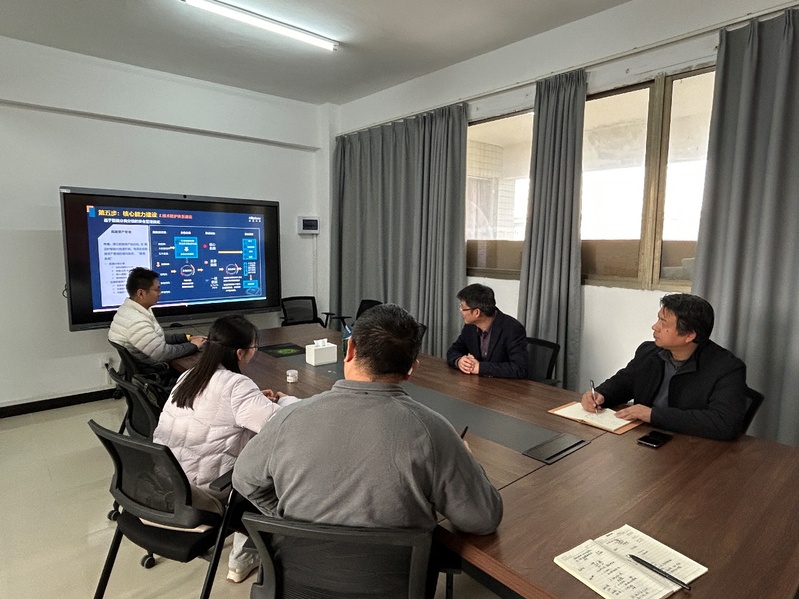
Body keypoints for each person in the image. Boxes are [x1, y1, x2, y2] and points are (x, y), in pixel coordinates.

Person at [232, 303, 502, 593]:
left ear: (349, 350)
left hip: (297, 585)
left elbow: (243, 480)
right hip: (395, 588)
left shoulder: (289, 417)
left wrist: (287, 518)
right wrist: (469, 461)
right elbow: (483, 519)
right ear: (412, 369)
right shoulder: (434, 431)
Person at [153, 314, 299, 583]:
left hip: (167, 481)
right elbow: (281, 425)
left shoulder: (188, 376)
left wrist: (255, 400)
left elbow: (219, 409)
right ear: (240, 352)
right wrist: (285, 400)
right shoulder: (236, 385)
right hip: (206, 490)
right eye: (253, 347)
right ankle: (244, 557)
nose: (254, 352)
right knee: (268, 473)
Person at [580, 293, 747, 441]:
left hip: (692, 448)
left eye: (664, 323)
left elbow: (724, 423)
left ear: (689, 335)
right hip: (641, 440)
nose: (655, 326)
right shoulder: (649, 352)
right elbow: (624, 382)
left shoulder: (727, 368)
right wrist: (601, 394)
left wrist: (653, 415)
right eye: (658, 318)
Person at [108, 267, 205, 367]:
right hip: (155, 370)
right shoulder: (135, 321)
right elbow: (164, 354)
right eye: (157, 289)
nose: (160, 293)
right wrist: (193, 345)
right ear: (141, 293)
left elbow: (157, 338)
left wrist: (187, 338)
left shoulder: (131, 309)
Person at [446, 283, 529, 379]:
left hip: (504, 385)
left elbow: (520, 368)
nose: (460, 311)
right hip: (478, 383)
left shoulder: (512, 329)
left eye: (463, 308)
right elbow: (454, 350)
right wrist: (459, 361)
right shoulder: (470, 326)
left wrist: (481, 368)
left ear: (477, 312)